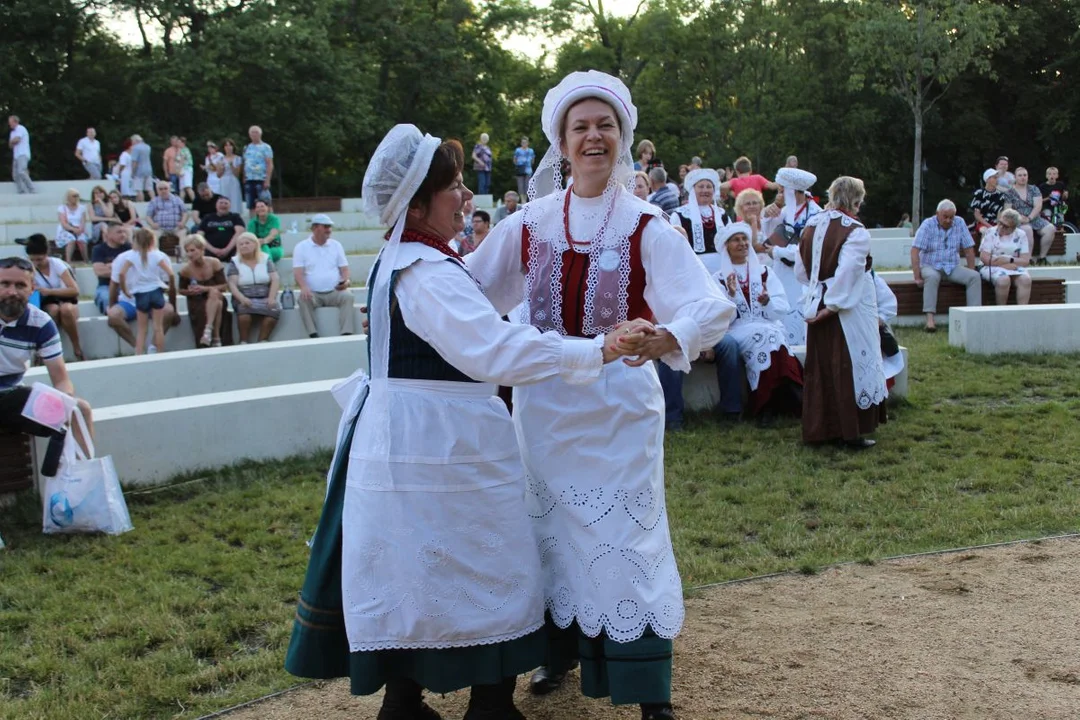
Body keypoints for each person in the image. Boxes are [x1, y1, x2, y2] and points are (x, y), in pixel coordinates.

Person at [285, 122, 648, 720]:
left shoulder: (405, 261)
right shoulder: (425, 273)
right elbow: (493, 350)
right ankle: (485, 705)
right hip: (441, 442)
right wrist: (595, 349)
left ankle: (406, 702)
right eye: (453, 187)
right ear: (419, 203)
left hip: (412, 435)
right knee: (489, 565)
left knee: (419, 567)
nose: (465, 196)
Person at [465, 70, 735, 720]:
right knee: (547, 535)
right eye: (580, 126)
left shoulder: (646, 224)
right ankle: (555, 653)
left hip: (619, 413)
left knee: (627, 542)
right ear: (560, 142)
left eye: (605, 125)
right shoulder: (528, 224)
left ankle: (648, 693)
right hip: (546, 407)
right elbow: (471, 292)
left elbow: (711, 303)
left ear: (623, 137)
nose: (594, 137)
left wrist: (668, 332)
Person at [795, 176, 887, 450]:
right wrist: (833, 305)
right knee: (846, 365)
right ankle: (848, 432)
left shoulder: (811, 225)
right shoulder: (855, 231)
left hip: (817, 300)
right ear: (856, 200)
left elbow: (801, 271)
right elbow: (848, 271)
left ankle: (820, 428)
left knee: (821, 367)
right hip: (846, 308)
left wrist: (817, 295)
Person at [0, 256, 94, 473]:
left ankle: (82, 484)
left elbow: (61, 380)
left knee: (79, 410)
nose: (12, 291)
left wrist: (64, 402)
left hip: (10, 397)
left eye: (20, 285)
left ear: (33, 288)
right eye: (4, 284)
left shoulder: (40, 323)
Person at [714, 223, 802, 421]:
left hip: (766, 324)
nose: (742, 243)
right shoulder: (718, 279)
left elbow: (782, 306)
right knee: (765, 336)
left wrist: (767, 302)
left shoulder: (764, 272)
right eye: (736, 240)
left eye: (744, 239)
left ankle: (773, 403)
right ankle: (771, 404)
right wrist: (730, 296)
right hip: (737, 328)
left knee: (773, 336)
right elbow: (720, 318)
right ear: (726, 246)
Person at [766, 167, 821, 346]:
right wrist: (767, 215)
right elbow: (767, 238)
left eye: (782, 191)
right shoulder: (785, 210)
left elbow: (808, 250)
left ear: (792, 192)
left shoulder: (815, 215)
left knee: (797, 319)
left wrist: (777, 252)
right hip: (782, 272)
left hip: (800, 276)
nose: (779, 195)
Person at [910, 199, 980, 332]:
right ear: (937, 214)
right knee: (931, 277)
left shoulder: (959, 223)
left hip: (952, 266)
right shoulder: (928, 224)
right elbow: (915, 250)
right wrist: (917, 276)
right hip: (931, 265)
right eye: (945, 217)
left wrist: (971, 269)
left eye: (951, 217)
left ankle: (974, 316)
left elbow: (969, 248)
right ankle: (930, 320)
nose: (948, 220)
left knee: (975, 277)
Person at [115, 229, 176, 355]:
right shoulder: (157, 255)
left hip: (140, 293)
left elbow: (121, 274)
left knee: (142, 329)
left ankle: (139, 354)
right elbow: (170, 273)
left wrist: (125, 290)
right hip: (156, 291)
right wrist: (169, 286)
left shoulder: (132, 256)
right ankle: (159, 352)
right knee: (158, 328)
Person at [292, 214, 354, 338]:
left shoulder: (336, 245)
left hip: (335, 291)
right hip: (313, 293)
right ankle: (312, 333)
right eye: (325, 226)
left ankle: (347, 333)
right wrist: (304, 287)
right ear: (315, 228)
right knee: (303, 299)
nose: (329, 230)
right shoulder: (301, 247)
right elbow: (298, 272)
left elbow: (345, 269)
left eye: (330, 227)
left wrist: (345, 281)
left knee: (348, 296)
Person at [24, 235, 84, 362]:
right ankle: (43, 351)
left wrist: (49, 291)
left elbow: (74, 290)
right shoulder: (29, 268)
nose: (36, 263)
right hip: (48, 303)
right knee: (53, 310)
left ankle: (77, 347)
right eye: (32, 259)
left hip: (66, 300)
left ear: (46, 254)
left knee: (66, 310)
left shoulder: (56, 264)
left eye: (39, 259)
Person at [669, 167, 728, 274]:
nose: (705, 190)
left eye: (709, 187)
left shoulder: (722, 214)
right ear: (693, 189)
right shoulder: (680, 215)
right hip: (692, 269)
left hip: (721, 269)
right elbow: (673, 246)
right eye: (701, 186)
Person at [227, 233, 280, 343]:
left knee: (273, 310)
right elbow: (232, 284)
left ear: (255, 244)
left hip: (264, 296)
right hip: (244, 297)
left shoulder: (265, 259)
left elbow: (275, 279)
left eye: (247, 243)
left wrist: (271, 298)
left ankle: (262, 340)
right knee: (244, 314)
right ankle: (243, 341)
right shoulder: (235, 261)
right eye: (241, 244)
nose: (244, 246)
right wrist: (242, 299)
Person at [178, 234, 228, 348]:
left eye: (192, 250)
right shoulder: (185, 270)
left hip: (216, 295)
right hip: (198, 300)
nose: (189, 254)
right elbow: (181, 290)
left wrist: (205, 288)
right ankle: (216, 338)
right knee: (218, 304)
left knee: (214, 293)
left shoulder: (214, 263)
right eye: (187, 251)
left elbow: (224, 286)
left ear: (201, 249)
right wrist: (190, 291)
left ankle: (208, 330)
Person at [978, 208, 1032, 306]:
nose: (1001, 227)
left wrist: (1009, 260)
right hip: (991, 266)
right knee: (1004, 280)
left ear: (1014, 227)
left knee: (1026, 280)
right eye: (1000, 223)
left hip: (1013, 265)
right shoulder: (991, 232)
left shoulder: (1021, 235)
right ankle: (1002, 311)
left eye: (1006, 226)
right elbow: (984, 258)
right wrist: (1003, 265)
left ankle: (1022, 313)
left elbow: (1025, 261)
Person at [1003, 167, 1055, 265]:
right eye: (1020, 175)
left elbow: (1038, 206)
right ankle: (1028, 258)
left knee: (1050, 228)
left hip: (1034, 217)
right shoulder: (1009, 192)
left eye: (1025, 175)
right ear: (1015, 177)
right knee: (1027, 229)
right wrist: (1019, 217)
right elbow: (1008, 209)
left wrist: (1030, 217)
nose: (1023, 177)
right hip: (1017, 219)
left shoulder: (1034, 189)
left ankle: (1042, 258)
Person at [198, 195, 245, 261]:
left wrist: (227, 250)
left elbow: (239, 233)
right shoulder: (207, 217)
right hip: (209, 251)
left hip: (232, 250)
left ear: (230, 206)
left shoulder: (235, 217)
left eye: (226, 203)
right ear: (216, 205)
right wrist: (213, 250)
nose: (223, 205)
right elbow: (199, 236)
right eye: (221, 203)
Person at [55, 188, 90, 264]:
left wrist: (80, 229)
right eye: (74, 196)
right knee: (71, 239)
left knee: (82, 239)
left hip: (79, 229)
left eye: (77, 196)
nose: (76, 197)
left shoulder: (82, 208)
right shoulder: (62, 208)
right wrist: (73, 229)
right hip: (66, 229)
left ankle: (86, 259)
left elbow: (83, 221)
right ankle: (68, 261)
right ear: (68, 197)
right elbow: (63, 223)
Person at [243, 126, 274, 211]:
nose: (254, 134)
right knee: (251, 205)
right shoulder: (246, 148)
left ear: (260, 134)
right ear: (249, 135)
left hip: (261, 179)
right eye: (252, 132)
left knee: (266, 204)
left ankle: (271, 223)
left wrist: (267, 180)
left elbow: (269, 164)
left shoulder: (266, 147)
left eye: (256, 132)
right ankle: (253, 223)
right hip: (249, 179)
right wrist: (244, 176)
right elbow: (245, 162)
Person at [970, 169, 1005, 235]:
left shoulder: (1001, 195)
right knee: (985, 232)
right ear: (987, 179)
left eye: (997, 178)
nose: (997, 180)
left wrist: (997, 226)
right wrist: (990, 226)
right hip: (983, 223)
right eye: (994, 177)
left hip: (997, 223)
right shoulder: (979, 193)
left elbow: (1000, 213)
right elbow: (977, 215)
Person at [8, 115, 35, 194]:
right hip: (16, 156)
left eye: (10, 122)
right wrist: (13, 141)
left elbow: (17, 140)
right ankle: (21, 191)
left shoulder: (20, 128)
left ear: (15, 122)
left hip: (23, 154)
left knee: (21, 171)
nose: (9, 124)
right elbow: (10, 145)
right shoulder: (12, 132)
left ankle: (31, 189)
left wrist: (13, 141)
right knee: (15, 175)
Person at [129, 134, 153, 202]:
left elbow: (134, 161)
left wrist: (132, 172)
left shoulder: (135, 148)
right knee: (149, 188)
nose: (132, 143)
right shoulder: (148, 147)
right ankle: (154, 201)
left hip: (139, 171)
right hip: (148, 169)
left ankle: (141, 203)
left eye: (132, 141)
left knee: (139, 189)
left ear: (135, 140)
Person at [513, 135, 535, 201]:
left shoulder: (531, 150)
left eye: (525, 142)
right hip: (520, 169)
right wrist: (518, 165)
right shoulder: (518, 150)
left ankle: (526, 198)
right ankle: (522, 199)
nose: (524, 144)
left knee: (527, 185)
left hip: (528, 170)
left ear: (528, 143)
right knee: (520, 184)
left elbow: (533, 160)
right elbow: (515, 159)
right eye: (522, 142)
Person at [176, 137, 195, 202]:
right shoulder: (181, 150)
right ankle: (181, 204)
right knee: (182, 189)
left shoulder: (184, 150)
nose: (177, 144)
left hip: (186, 170)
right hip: (183, 170)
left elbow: (182, 160)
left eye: (179, 142)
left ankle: (195, 202)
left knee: (188, 187)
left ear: (183, 143)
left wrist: (178, 170)